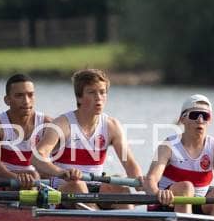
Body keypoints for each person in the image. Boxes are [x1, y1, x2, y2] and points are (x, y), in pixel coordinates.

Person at [32, 68, 143, 208]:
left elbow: (129, 163)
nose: (98, 97)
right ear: (79, 97)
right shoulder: (62, 124)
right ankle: (95, 214)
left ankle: (127, 219)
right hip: (64, 188)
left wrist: (140, 181)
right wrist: (61, 172)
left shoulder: (112, 126)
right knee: (78, 185)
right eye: (92, 92)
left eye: (102, 92)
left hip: (94, 186)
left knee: (120, 188)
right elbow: (37, 157)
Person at [144, 94, 214, 215]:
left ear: (209, 120)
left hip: (198, 205)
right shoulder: (168, 146)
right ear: (182, 119)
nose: (200, 120)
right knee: (186, 187)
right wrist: (157, 194)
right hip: (167, 204)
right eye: (195, 115)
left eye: (205, 116)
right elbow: (151, 179)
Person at [0, 74, 52, 189]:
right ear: (7, 100)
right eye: (19, 96)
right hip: (2, 183)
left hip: (35, 182)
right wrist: (17, 178)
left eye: (30, 95)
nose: (26, 101)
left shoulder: (48, 124)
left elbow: (59, 162)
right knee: (33, 175)